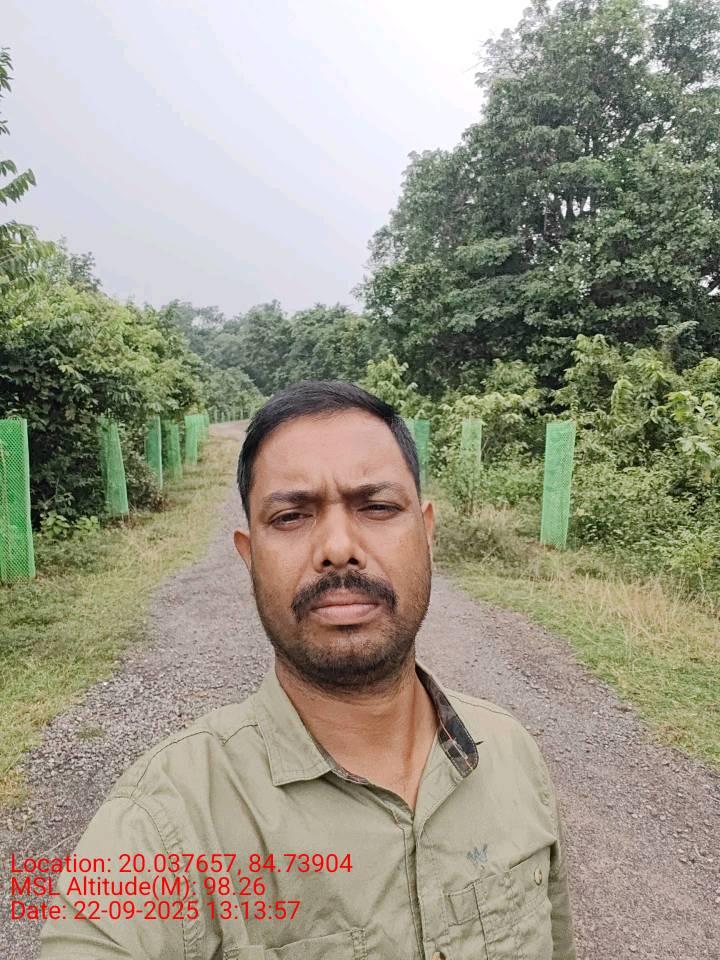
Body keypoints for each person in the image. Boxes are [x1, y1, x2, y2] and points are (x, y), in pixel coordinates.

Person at [40, 380, 576, 960]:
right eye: (292, 516)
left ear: (427, 533)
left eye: (377, 507)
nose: (338, 548)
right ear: (249, 554)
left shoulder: (511, 753)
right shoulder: (164, 824)